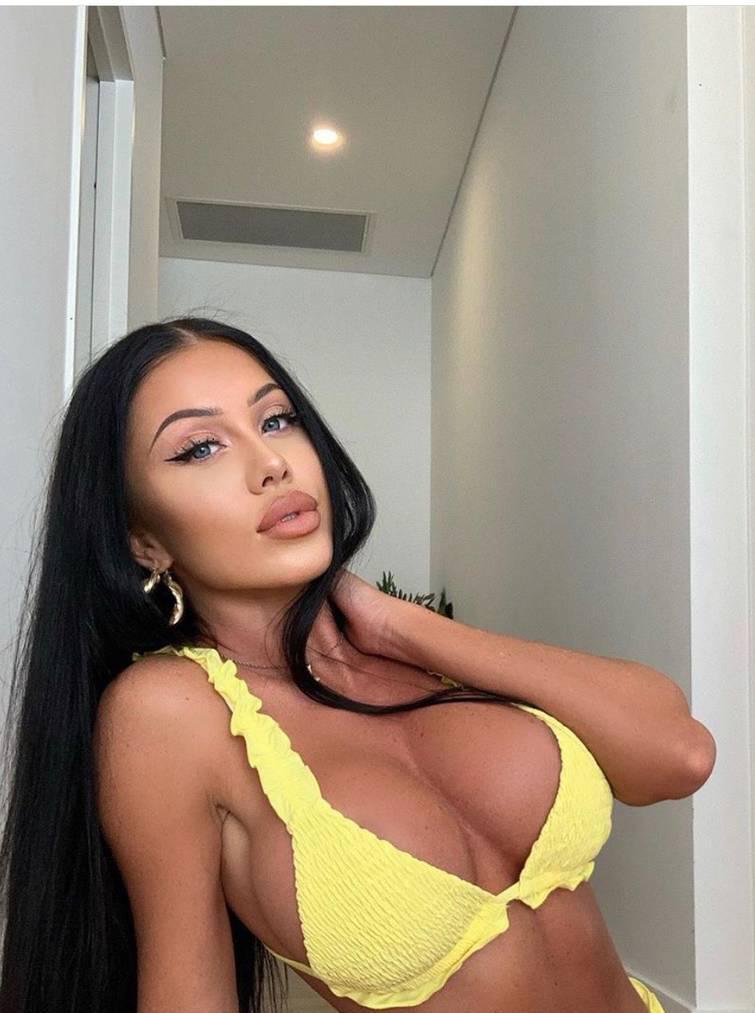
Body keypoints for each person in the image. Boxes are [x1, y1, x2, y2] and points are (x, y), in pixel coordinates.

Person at [0, 316, 714, 1012]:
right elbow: (189, 993)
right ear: (143, 541)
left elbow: (679, 756)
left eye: (276, 420)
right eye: (201, 448)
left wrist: (405, 627)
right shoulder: (168, 711)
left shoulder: (413, 654)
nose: (271, 463)